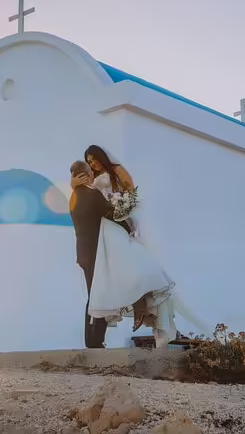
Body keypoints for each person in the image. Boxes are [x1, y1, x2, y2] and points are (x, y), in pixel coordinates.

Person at [70, 148, 178, 348]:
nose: (92, 163)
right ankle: (98, 338)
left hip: (113, 225)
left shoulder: (114, 172)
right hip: (104, 232)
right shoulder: (89, 188)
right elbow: (91, 202)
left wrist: (124, 211)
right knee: (107, 281)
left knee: (133, 268)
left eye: (94, 159)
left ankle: (140, 308)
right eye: (89, 161)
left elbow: (131, 192)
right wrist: (74, 185)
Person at [69, 160, 113, 348]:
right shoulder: (93, 195)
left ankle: (91, 340)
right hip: (96, 252)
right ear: (85, 175)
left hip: (83, 253)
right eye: (90, 172)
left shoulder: (73, 196)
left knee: (93, 294)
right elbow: (112, 213)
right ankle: (96, 341)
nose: (93, 175)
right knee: (100, 294)